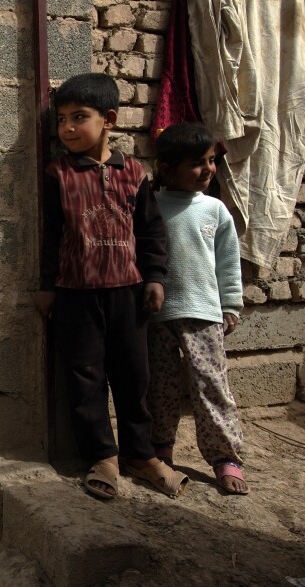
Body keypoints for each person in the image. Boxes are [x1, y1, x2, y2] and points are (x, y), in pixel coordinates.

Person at [34, 72, 187, 499]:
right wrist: (47, 286)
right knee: (85, 378)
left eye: (79, 117)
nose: (67, 128)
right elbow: (49, 235)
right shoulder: (58, 174)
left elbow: (152, 232)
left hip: (128, 293)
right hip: (75, 294)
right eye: (61, 119)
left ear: (110, 120)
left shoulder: (134, 173)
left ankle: (141, 454)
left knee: (134, 376)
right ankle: (102, 455)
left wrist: (155, 278)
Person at [147, 123, 249, 495]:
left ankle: (226, 457)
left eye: (210, 161)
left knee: (211, 385)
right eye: (196, 163)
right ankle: (160, 448)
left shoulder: (215, 210)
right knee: (160, 386)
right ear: (166, 168)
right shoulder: (151, 206)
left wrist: (231, 305)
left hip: (204, 312)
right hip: (157, 315)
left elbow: (227, 262)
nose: (208, 169)